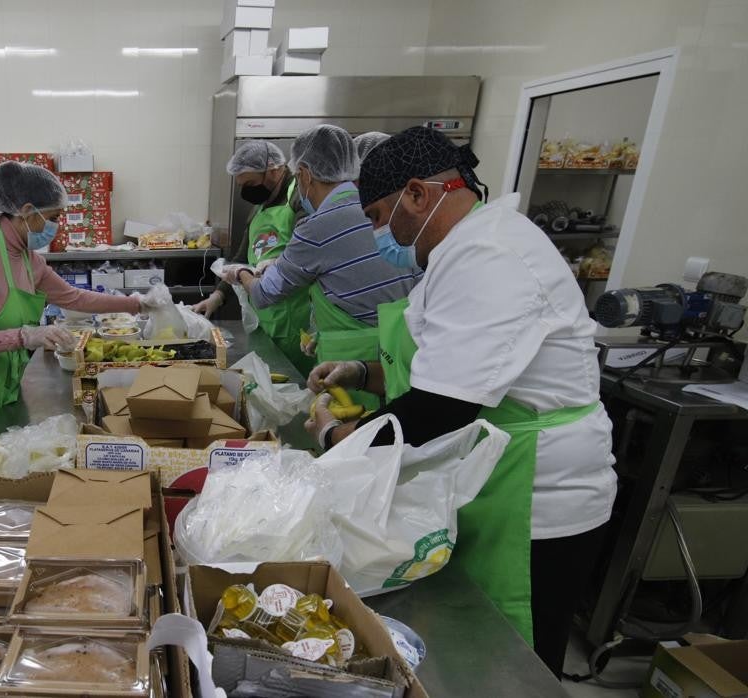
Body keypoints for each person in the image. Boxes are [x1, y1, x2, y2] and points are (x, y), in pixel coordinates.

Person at [305, 126, 616, 676]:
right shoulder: (462, 250)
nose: (383, 236)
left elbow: (439, 409)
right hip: (490, 477)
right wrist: (361, 372)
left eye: (380, 216)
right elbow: (440, 368)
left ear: (419, 195)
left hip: (537, 499)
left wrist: (340, 441)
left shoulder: (489, 256)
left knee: (513, 663)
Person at [0, 161, 164, 432]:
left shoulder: (27, 257)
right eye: (54, 218)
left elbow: (73, 297)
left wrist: (137, 303)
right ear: (27, 211)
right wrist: (24, 337)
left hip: (5, 384)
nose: (58, 226)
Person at [224, 125, 420, 407]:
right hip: (400, 354)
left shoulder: (318, 226)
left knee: (353, 439)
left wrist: (240, 273)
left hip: (352, 362)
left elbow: (264, 294)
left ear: (304, 174)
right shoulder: (381, 209)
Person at [192, 140, 311, 371]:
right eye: (241, 185)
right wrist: (217, 296)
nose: (246, 190)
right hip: (265, 314)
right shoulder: (259, 207)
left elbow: (307, 251)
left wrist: (277, 263)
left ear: (274, 170)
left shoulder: (299, 197)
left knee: (298, 382)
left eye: (251, 183)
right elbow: (241, 256)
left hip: (296, 317)